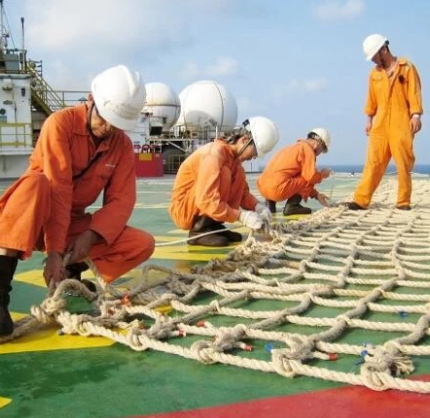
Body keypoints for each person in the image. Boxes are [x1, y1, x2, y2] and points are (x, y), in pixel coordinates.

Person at [0, 65, 155, 336]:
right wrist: (54, 253)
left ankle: (72, 274)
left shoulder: (122, 146)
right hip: (32, 219)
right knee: (35, 184)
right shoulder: (60, 124)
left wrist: (91, 235)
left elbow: (122, 201)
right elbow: (58, 189)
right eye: (106, 118)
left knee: (141, 243)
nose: (109, 128)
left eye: (117, 123)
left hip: (71, 225)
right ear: (91, 99)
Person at [169, 117, 279, 246]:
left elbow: (242, 194)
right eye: (254, 152)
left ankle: (212, 226)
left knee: (237, 175)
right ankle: (199, 230)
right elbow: (205, 199)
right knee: (224, 174)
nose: (253, 157)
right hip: (185, 210)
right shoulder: (214, 155)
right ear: (244, 140)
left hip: (199, 203)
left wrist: (258, 207)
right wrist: (241, 216)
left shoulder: (233, 161)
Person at [347, 33, 423, 211]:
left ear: (384, 49)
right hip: (379, 122)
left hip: (401, 120)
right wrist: (369, 119)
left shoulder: (406, 68)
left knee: (403, 162)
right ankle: (361, 200)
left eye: (374, 55)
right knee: (373, 161)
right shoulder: (374, 74)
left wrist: (416, 115)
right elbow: (371, 99)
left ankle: (403, 201)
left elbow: (414, 93)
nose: (373, 60)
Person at [257, 128, 332, 216]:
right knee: (309, 176)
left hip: (263, 188)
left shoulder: (291, 148)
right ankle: (292, 206)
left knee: (282, 175)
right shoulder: (308, 150)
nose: (320, 153)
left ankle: (270, 205)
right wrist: (322, 174)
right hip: (277, 190)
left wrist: (316, 195)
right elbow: (310, 177)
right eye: (322, 149)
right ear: (318, 143)